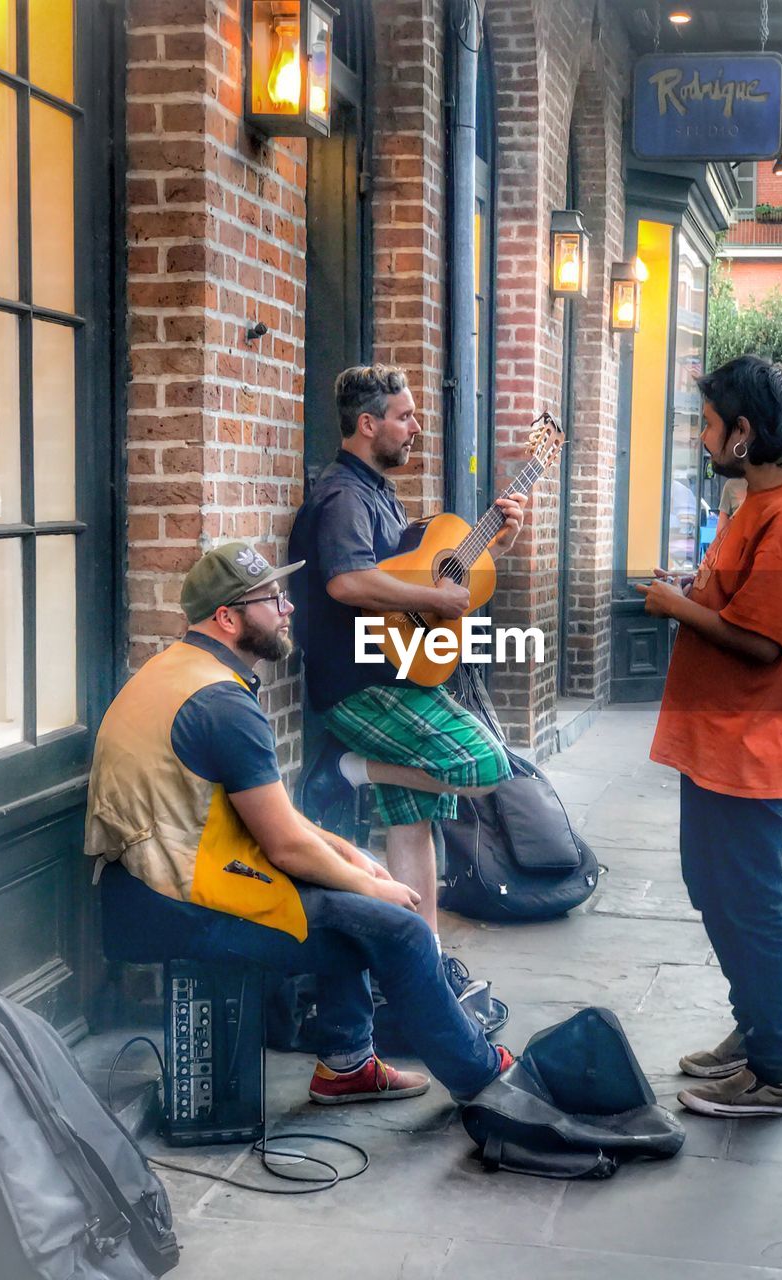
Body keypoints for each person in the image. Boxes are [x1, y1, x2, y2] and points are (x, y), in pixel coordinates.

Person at [85, 542, 513, 1105]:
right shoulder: (222, 705)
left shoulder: (182, 670)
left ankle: (346, 1065)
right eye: (272, 599)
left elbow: (278, 820)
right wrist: (375, 887)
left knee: (353, 893)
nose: (288, 608)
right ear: (228, 618)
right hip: (174, 904)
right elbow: (285, 847)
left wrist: (356, 861)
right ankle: (485, 1081)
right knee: (396, 927)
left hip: (150, 883)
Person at [637, 355, 782, 1119]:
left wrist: (675, 608)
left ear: (745, 433)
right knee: (711, 887)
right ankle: (757, 1031)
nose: (703, 435)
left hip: (753, 744)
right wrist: (692, 589)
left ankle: (775, 1070)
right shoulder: (755, 500)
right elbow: (740, 599)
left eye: (712, 424)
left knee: (750, 903)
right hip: (720, 736)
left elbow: (761, 640)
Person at [288, 364, 526, 963]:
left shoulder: (378, 493)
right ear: (367, 425)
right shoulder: (344, 496)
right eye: (405, 416)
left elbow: (412, 574)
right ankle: (348, 770)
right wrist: (434, 600)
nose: (417, 426)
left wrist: (498, 541)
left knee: (414, 815)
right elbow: (347, 583)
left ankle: (423, 957)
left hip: (395, 673)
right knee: (485, 763)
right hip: (360, 685)